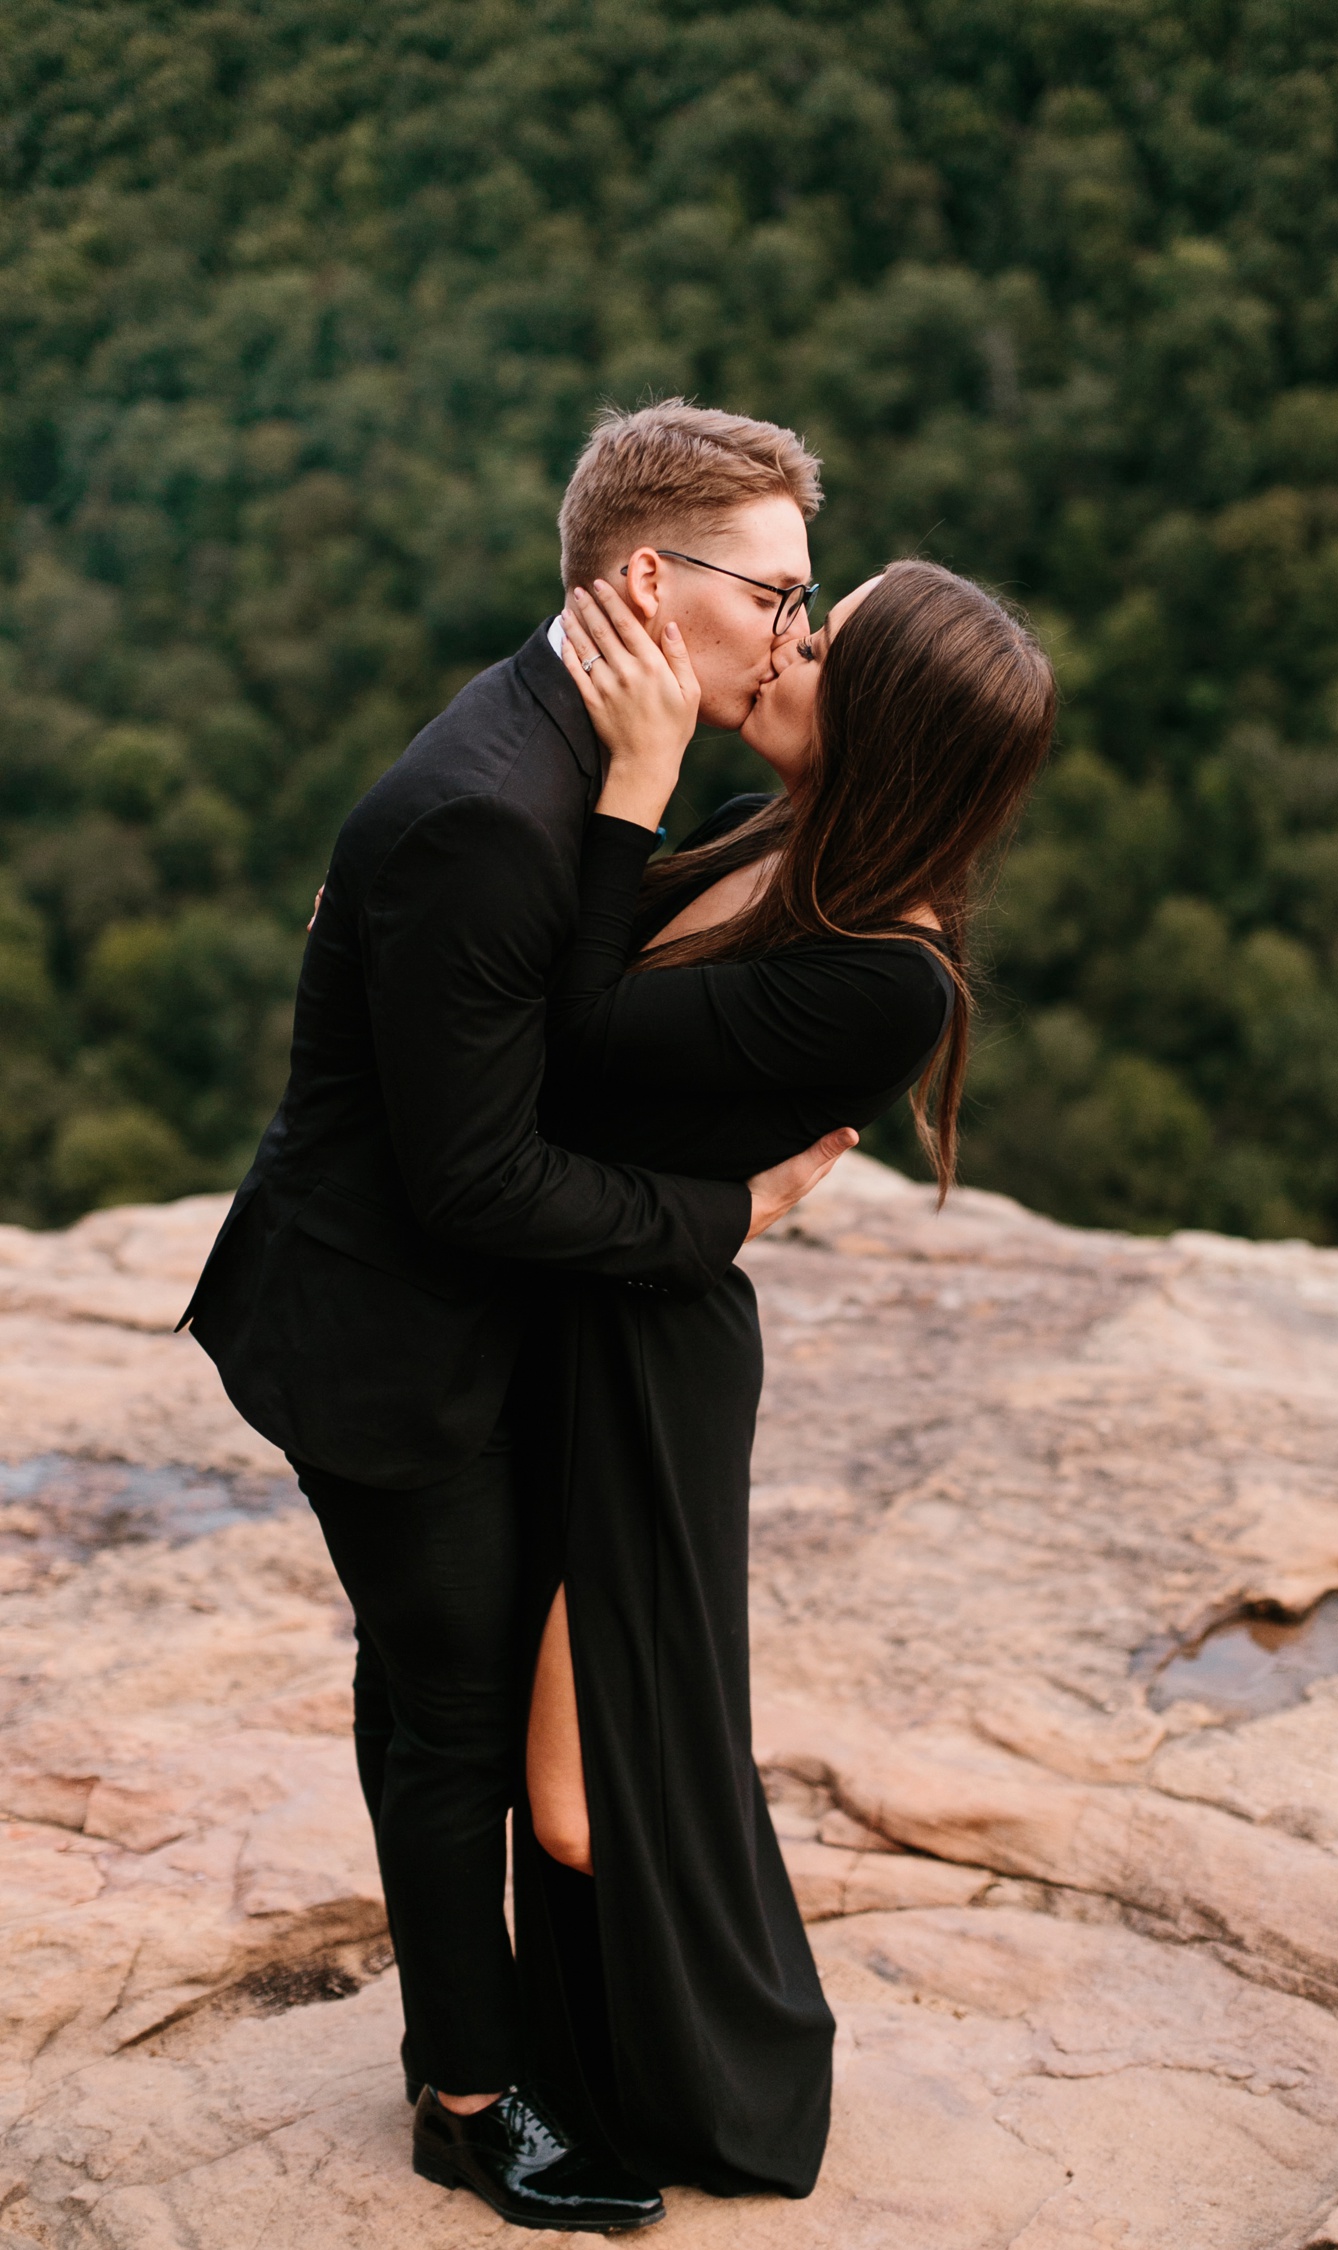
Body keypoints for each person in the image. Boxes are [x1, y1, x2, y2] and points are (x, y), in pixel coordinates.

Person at [178, 402, 858, 2236]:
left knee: (428, 1685)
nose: (797, 633)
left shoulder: (580, 740)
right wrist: (728, 1212)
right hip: (386, 1338)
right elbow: (486, 1178)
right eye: (779, 594)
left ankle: (470, 2036)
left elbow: (569, 1010)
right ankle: (473, 2099)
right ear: (653, 578)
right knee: (461, 1714)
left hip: (452, 1317)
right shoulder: (495, 799)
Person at [496, 557, 1056, 2207]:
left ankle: (685, 2087)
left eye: (830, 635)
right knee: (565, 1753)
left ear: (882, 724)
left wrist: (635, 775)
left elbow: (577, 1041)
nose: (789, 641)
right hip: (580, 1313)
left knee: (581, 1787)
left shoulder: (889, 971)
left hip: (641, 1371)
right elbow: (555, 975)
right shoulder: (786, 842)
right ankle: (562, 2058)